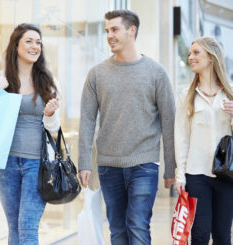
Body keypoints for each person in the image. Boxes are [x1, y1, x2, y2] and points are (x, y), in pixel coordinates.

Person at [78, 9, 176, 245]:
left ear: (132, 31)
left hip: (144, 164)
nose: (109, 35)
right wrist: (83, 163)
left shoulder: (156, 73)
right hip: (108, 166)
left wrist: (170, 167)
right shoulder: (97, 74)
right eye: (107, 31)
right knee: (118, 229)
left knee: (138, 225)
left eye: (115, 29)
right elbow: (87, 119)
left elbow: (169, 121)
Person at [0, 23, 60, 245]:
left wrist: (49, 114)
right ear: (16, 45)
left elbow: (54, 130)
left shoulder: (48, 81)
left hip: (37, 164)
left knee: (28, 227)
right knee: (14, 228)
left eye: (38, 42)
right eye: (29, 41)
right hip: (5, 163)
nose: (34, 46)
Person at [174, 37, 233, 245]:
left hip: (227, 175)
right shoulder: (186, 96)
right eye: (190, 53)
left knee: (223, 236)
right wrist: (179, 174)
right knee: (199, 235)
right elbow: (181, 137)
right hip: (196, 173)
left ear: (211, 57)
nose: (190, 57)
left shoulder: (230, 92)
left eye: (196, 53)